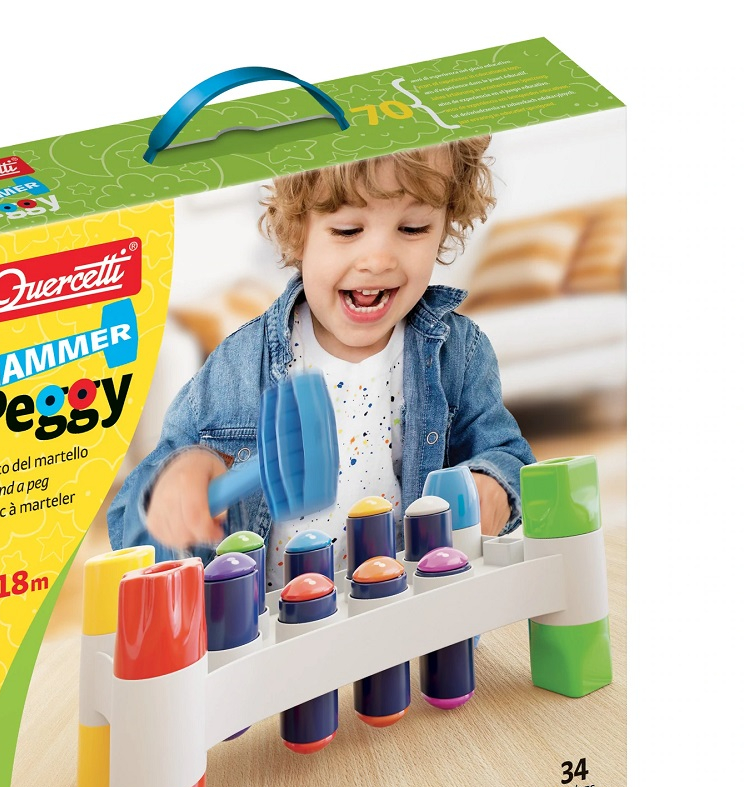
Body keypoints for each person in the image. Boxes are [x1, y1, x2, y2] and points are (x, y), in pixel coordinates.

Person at [108, 140, 535, 589]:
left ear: (444, 225)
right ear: (300, 231)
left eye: (413, 228)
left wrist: (493, 486)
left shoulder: (458, 353)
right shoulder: (238, 367)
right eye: (348, 230)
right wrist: (175, 483)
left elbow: (508, 456)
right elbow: (126, 521)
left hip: (407, 608)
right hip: (277, 619)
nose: (379, 260)